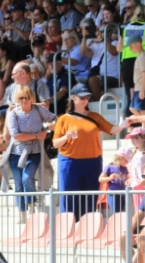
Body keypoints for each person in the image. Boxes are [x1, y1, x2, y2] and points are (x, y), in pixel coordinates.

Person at [51, 84, 124, 216]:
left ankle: (87, 230)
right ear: (73, 98)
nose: (85, 100)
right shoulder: (63, 119)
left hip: (92, 161)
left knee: (90, 199)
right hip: (69, 162)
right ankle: (68, 231)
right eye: (82, 97)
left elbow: (112, 129)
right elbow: (55, 144)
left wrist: (124, 124)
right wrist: (66, 137)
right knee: (69, 199)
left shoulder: (95, 116)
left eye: (87, 97)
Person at [6, 86, 56, 219]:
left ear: (31, 98)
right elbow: (16, 135)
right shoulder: (14, 114)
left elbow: (55, 119)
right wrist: (36, 136)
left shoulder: (39, 110)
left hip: (34, 152)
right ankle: (21, 213)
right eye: (21, 97)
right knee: (18, 184)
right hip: (16, 153)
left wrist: (48, 128)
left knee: (27, 178)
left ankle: (31, 206)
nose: (24, 100)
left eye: (27, 97)